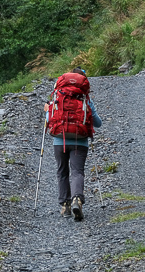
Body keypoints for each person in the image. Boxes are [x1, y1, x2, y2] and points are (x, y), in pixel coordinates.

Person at [46, 67, 102, 221]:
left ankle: (65, 206)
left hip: (59, 140)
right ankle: (77, 199)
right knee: (77, 171)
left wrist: (47, 110)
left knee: (62, 172)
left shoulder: (58, 95)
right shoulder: (86, 99)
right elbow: (98, 123)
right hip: (80, 141)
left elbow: (48, 120)